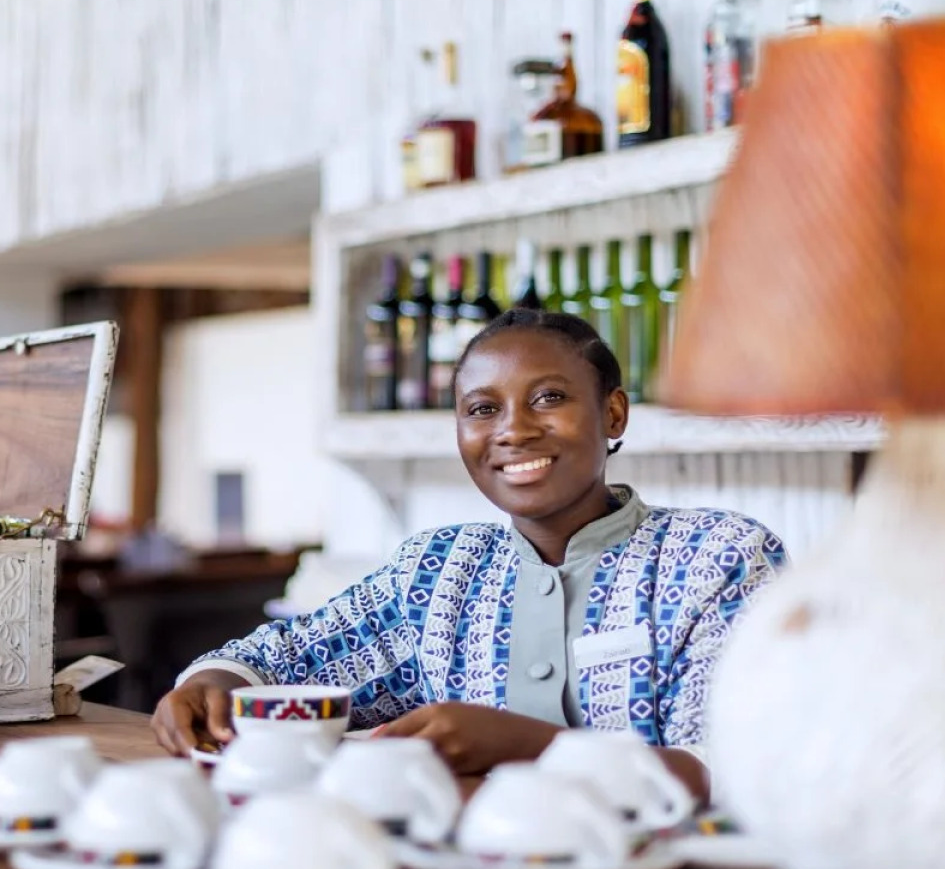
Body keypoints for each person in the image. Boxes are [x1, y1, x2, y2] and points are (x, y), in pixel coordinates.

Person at [151, 309, 787, 801]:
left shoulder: (717, 556)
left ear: (613, 413)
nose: (513, 429)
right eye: (483, 409)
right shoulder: (437, 569)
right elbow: (282, 658)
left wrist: (530, 747)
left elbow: (733, 770)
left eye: (548, 398)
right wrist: (212, 685)